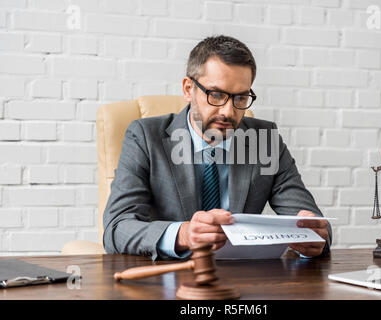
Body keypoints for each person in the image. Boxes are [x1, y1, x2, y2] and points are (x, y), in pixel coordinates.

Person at [103, 35, 332, 260]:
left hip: (244, 283)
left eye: (241, 98)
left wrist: (314, 237)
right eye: (216, 95)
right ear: (187, 88)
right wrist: (183, 234)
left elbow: (317, 226)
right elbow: (117, 228)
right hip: (170, 280)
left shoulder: (264, 140)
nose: (228, 112)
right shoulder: (145, 137)